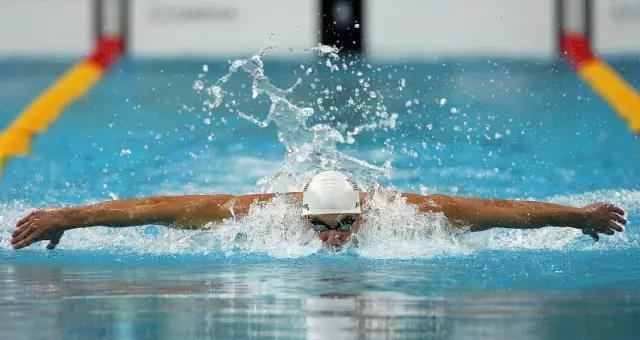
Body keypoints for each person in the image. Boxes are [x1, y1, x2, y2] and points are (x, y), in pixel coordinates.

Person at [10, 170, 627, 250]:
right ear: (300, 216)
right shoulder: (260, 212)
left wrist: (577, 216)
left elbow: (502, 211)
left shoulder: (402, 212)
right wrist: (67, 215)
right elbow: (153, 208)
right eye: (321, 226)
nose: (334, 238)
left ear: (363, 212)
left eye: (345, 224)